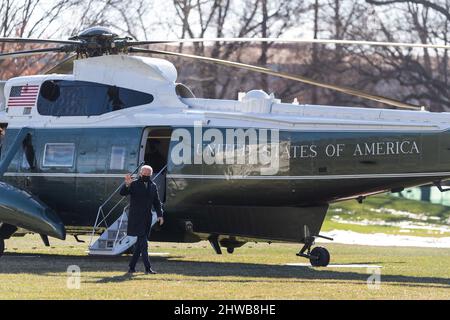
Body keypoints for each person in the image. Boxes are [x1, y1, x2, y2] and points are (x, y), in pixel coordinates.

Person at [119, 165, 164, 274]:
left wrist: (160, 215)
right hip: (136, 218)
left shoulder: (153, 186)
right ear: (140, 173)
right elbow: (122, 193)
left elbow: (157, 202)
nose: (146, 176)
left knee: (140, 245)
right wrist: (127, 184)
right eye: (144, 174)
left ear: (151, 175)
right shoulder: (133, 184)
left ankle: (131, 267)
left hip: (147, 219)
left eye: (148, 175)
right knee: (144, 244)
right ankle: (148, 268)